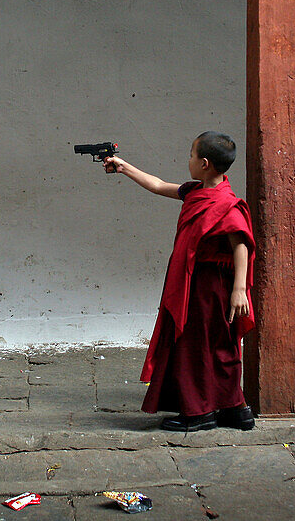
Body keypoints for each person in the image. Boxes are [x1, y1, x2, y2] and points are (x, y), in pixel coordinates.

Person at [102, 132, 256, 431]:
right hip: (195, 282)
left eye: (190, 155)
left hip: (212, 286)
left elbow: (241, 245)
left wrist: (239, 290)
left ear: (204, 163)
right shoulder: (196, 192)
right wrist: (124, 167)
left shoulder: (227, 202)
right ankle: (233, 409)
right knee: (214, 345)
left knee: (201, 346)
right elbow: (158, 185)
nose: (188, 160)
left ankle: (200, 413)